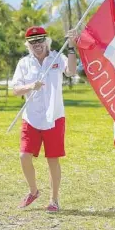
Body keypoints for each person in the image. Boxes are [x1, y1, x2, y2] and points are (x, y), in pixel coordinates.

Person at [12, 26, 78, 212]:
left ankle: (54, 200)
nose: (37, 45)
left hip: (54, 117)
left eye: (40, 40)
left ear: (46, 41)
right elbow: (15, 89)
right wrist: (31, 86)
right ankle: (33, 191)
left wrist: (71, 46)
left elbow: (71, 71)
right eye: (33, 42)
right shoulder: (24, 63)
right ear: (28, 45)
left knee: (53, 160)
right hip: (31, 118)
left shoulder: (57, 58)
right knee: (24, 156)